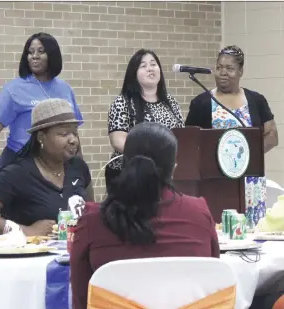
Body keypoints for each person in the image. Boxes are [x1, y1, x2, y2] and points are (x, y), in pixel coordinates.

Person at [70, 122, 219, 309]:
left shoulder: (92, 220)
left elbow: (81, 299)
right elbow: (212, 283)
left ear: (124, 163)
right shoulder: (199, 212)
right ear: (173, 168)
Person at [0, 99, 93, 236]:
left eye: (74, 133)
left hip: (73, 254)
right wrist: (26, 231)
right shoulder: (17, 173)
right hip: (28, 255)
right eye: (64, 134)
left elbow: (92, 211)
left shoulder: (79, 167)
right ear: (41, 137)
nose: (73, 140)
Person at [185, 45, 278, 225]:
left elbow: (272, 136)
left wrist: (247, 158)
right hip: (216, 181)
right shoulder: (202, 102)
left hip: (250, 182)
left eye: (230, 68)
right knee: (220, 227)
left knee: (252, 230)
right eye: (219, 67)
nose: (223, 73)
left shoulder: (256, 100)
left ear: (241, 71)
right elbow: (190, 142)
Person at [0, 32, 83, 169]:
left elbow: (73, 130)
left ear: (52, 55)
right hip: (21, 161)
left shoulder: (65, 89)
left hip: (59, 162)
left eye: (41, 51)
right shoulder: (15, 89)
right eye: (30, 52)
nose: (34, 56)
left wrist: (79, 162)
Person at [106, 48, 184, 191]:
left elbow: (180, 136)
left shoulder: (171, 103)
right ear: (133, 74)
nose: (150, 69)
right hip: (129, 173)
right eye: (143, 66)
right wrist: (152, 158)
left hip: (165, 174)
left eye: (153, 64)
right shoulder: (122, 102)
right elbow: (118, 141)